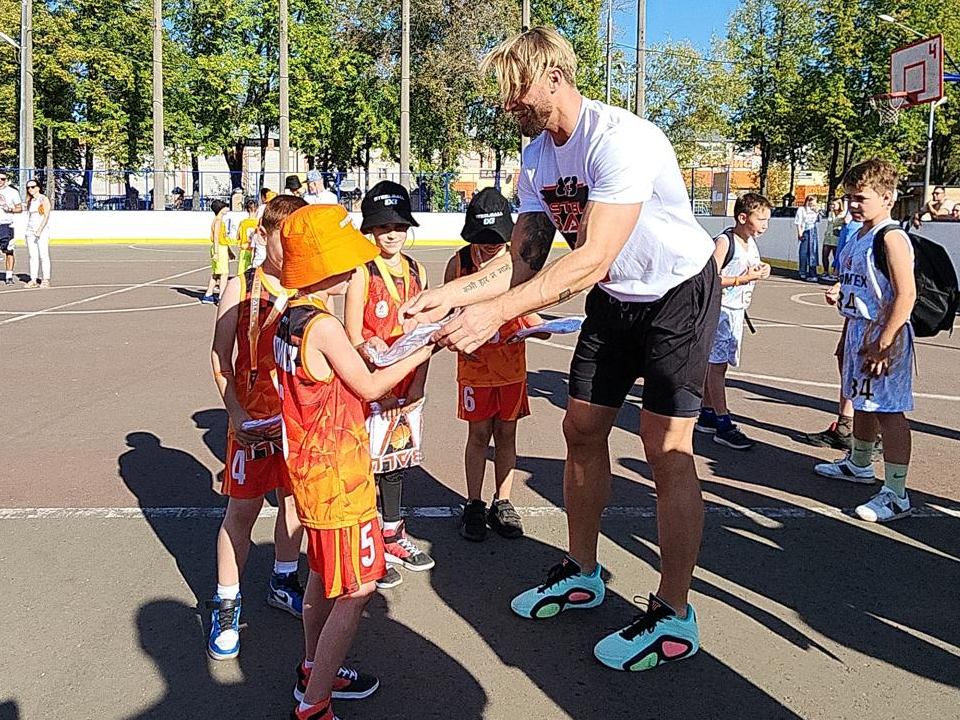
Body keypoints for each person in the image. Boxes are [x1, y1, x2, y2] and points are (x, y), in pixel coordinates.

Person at [402, 26, 719, 672]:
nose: (508, 105)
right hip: (615, 296)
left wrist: (492, 315)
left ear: (554, 77)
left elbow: (591, 257)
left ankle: (675, 612)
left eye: (515, 90)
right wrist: (456, 297)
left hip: (676, 295)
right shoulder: (538, 160)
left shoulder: (619, 140)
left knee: (666, 449)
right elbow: (522, 263)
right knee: (581, 428)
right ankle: (583, 570)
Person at [273, 204, 435, 720]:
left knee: (323, 576)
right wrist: (425, 348)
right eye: (346, 262)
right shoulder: (321, 325)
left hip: (310, 469)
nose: (355, 270)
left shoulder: (289, 317)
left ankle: (312, 668)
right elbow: (368, 385)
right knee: (359, 587)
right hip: (338, 476)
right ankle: (315, 704)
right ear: (327, 267)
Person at [206, 194, 308, 661]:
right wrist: (235, 413)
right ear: (262, 235)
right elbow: (220, 358)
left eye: (297, 238)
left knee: (293, 505)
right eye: (280, 237)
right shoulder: (240, 288)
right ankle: (227, 602)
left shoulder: (312, 290)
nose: (288, 247)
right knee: (241, 514)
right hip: (250, 423)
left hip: (295, 423)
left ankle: (284, 578)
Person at [814, 158, 916, 523]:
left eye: (861, 198)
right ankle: (859, 464)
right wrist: (845, 325)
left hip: (883, 333)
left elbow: (905, 295)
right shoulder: (858, 235)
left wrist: (884, 343)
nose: (853, 204)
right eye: (849, 197)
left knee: (889, 412)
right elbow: (860, 283)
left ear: (887, 198)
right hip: (858, 330)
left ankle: (896, 493)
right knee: (862, 401)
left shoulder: (891, 236)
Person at [344, 180, 434, 590]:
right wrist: (367, 345)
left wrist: (419, 384)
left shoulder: (418, 270)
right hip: (371, 383)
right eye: (382, 227)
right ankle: (366, 545)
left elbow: (428, 332)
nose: (391, 233)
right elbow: (350, 335)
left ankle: (393, 533)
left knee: (396, 463)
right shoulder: (362, 273)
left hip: (406, 382)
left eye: (398, 225)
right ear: (371, 231)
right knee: (365, 464)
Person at [446, 188, 543, 542]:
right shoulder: (459, 263)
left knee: (506, 435)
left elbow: (530, 309)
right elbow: (447, 312)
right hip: (475, 368)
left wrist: (541, 327)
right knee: (478, 435)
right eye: (482, 240)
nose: (490, 247)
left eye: (498, 240)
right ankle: (473, 501)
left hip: (511, 367)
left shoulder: (517, 263)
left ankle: (503, 501)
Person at [695, 193, 772, 450]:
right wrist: (743, 279)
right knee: (716, 369)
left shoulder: (750, 243)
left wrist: (762, 270)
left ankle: (707, 413)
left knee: (719, 366)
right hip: (720, 313)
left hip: (735, 312)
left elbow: (751, 267)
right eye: (760, 219)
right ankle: (723, 422)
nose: (765, 225)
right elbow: (709, 277)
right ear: (742, 217)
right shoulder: (725, 242)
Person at [22, 180, 52, 288]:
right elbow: (30, 217)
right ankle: (33, 279)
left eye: (33, 187)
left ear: (38, 187)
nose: (30, 189)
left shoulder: (43, 199)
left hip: (41, 230)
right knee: (32, 256)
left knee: (43, 255)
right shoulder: (30, 200)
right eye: (28, 188)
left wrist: (40, 229)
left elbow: (46, 216)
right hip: (30, 230)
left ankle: (46, 279)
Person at [202, 200, 230, 305]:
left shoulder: (217, 220)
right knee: (224, 273)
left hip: (220, 247)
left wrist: (229, 251)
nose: (227, 209)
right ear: (221, 209)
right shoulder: (218, 221)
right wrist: (217, 252)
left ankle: (208, 294)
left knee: (216, 273)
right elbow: (216, 237)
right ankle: (221, 296)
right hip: (219, 248)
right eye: (225, 207)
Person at [0, 172, 23, 285]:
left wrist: (9, 209)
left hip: (6, 225)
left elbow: (19, 208)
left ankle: (9, 276)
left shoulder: (12, 192)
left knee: (8, 251)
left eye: (3, 179)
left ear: (6, 180)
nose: (0, 181)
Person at [795, 195, 821, 282]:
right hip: (805, 231)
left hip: (813, 230)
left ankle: (812, 272)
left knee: (813, 252)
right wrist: (800, 234)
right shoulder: (802, 209)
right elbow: (798, 222)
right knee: (803, 252)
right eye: (811, 202)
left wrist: (817, 211)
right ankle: (802, 271)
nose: (813, 204)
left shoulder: (816, 210)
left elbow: (818, 220)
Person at [822, 198, 845, 282]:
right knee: (825, 254)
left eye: (834, 204)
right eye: (831, 204)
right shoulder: (830, 213)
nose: (832, 206)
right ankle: (825, 271)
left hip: (836, 237)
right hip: (828, 236)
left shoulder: (843, 214)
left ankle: (836, 272)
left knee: (836, 255)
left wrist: (839, 228)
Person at [235, 200, 258, 275]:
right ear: (257, 209)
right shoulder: (258, 223)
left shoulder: (243, 223)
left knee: (242, 272)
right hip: (254, 250)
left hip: (244, 250)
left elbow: (237, 236)